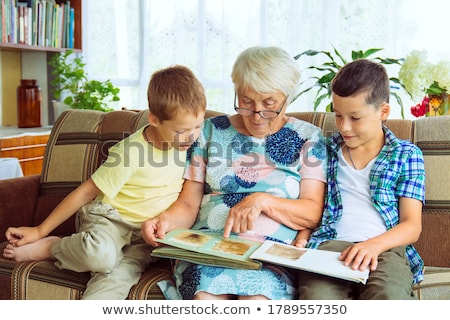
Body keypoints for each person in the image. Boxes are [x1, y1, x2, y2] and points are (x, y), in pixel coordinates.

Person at [2, 65, 207, 300]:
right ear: (154, 120)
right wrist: (39, 231)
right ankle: (52, 247)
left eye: (197, 126)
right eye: (182, 130)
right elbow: (86, 192)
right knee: (101, 256)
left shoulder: (190, 145)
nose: (191, 137)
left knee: (112, 284)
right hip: (110, 220)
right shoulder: (131, 152)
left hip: (144, 237)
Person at [142, 46, 327, 300]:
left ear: (288, 98)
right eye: (247, 102)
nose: (256, 115)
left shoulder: (308, 137)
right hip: (209, 248)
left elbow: (313, 213)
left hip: (270, 255)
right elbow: (187, 202)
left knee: (257, 302)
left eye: (269, 104)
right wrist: (162, 222)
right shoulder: (208, 131)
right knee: (205, 301)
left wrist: (262, 201)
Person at [297, 59, 425, 300]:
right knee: (318, 298)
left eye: (355, 118)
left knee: (390, 295)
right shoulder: (323, 150)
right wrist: (304, 235)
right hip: (329, 246)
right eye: (337, 116)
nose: (344, 127)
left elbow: (412, 225)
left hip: (384, 249)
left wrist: (373, 246)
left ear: (383, 112)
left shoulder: (406, 155)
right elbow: (310, 201)